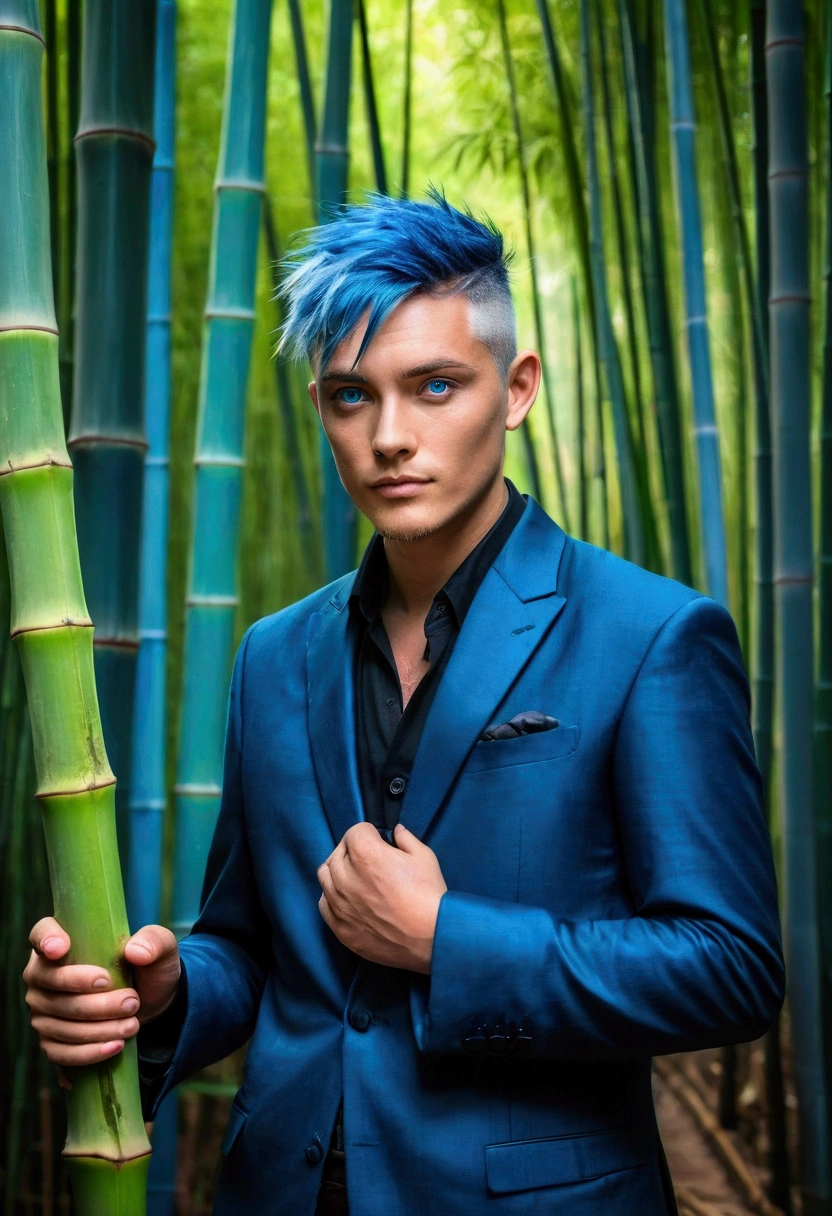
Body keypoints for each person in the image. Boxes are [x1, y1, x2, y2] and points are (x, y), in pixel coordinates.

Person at [23, 191, 784, 1216]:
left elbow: (728, 964)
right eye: (350, 396)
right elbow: (252, 943)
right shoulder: (273, 654)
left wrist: (444, 938)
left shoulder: (649, 635)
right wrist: (165, 994)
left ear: (516, 389)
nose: (389, 436)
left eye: (434, 386)